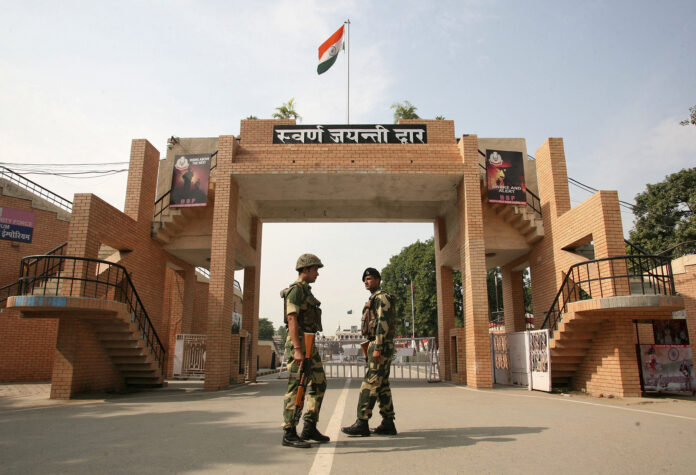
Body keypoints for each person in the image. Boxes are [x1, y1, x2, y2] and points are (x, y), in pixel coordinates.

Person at [280, 253, 330, 448]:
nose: (317, 273)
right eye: (315, 269)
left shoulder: (306, 291)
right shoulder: (296, 291)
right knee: (297, 385)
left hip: (310, 343)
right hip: (298, 344)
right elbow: (292, 319)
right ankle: (289, 431)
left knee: (319, 383)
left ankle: (309, 426)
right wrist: (298, 350)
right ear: (306, 270)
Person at [342, 267, 398, 437]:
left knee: (370, 382)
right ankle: (388, 422)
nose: (367, 282)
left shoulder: (382, 298)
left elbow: (382, 322)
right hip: (376, 343)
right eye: (365, 279)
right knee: (382, 384)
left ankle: (362, 422)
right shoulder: (374, 298)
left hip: (380, 344)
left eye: (370, 278)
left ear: (379, 280)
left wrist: (378, 347)